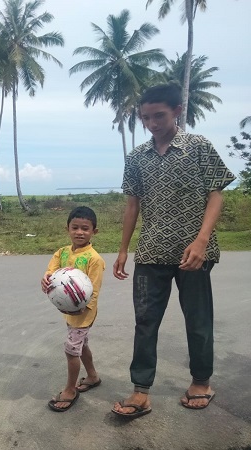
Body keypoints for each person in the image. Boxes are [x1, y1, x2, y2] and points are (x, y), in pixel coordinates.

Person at [112, 83, 236, 418]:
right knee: (145, 321)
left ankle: (201, 382)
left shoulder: (198, 147)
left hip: (194, 254)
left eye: (159, 116)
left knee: (197, 320)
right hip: (151, 251)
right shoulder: (137, 157)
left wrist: (201, 240)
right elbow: (132, 204)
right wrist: (123, 249)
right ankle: (140, 391)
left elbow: (216, 194)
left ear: (177, 111)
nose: (152, 123)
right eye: (145, 118)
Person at [41, 206, 105, 412]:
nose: (79, 232)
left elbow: (93, 290)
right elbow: (52, 269)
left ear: (94, 232)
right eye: (75, 227)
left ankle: (70, 389)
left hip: (82, 314)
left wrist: (82, 309)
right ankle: (93, 376)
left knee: (71, 351)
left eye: (85, 228)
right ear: (67, 229)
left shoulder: (94, 259)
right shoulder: (63, 252)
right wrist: (47, 278)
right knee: (81, 346)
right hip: (70, 311)